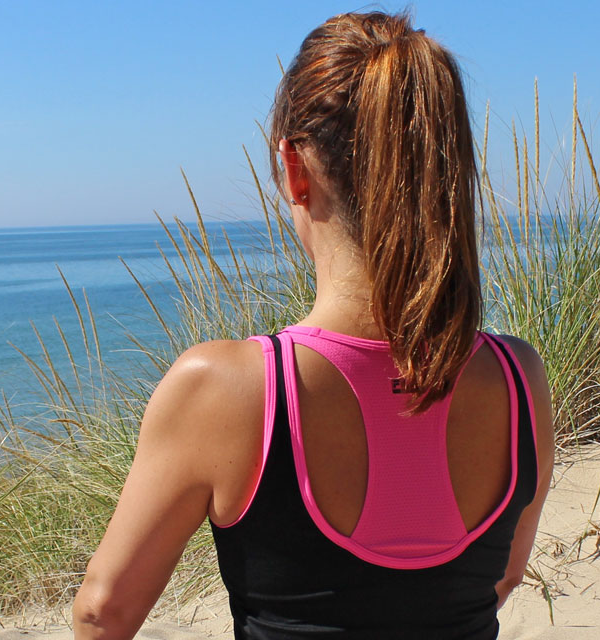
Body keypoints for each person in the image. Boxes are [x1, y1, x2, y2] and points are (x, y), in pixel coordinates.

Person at [72, 11, 553, 639]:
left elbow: (102, 612)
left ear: (295, 170)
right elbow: (503, 577)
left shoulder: (225, 388)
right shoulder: (519, 378)